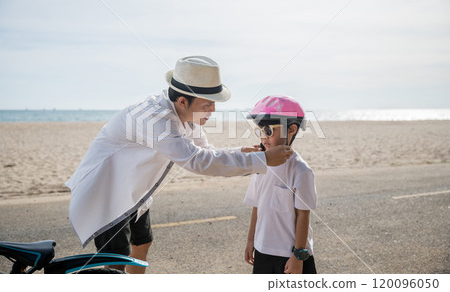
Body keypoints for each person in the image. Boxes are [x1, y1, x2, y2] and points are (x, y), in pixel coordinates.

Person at [65, 56, 293, 273]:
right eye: (207, 104)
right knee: (115, 259)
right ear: (183, 101)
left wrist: (243, 153)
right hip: (107, 190)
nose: (213, 110)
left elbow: (205, 151)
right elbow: (196, 161)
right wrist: (261, 160)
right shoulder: (154, 118)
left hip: (133, 190)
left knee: (143, 242)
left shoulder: (187, 115)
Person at [244, 95, 318, 274]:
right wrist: (251, 240)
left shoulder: (301, 171)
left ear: (291, 129)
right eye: (260, 131)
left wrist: (298, 255)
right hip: (263, 251)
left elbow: (303, 215)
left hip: (291, 255)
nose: (263, 138)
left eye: (268, 131)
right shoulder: (262, 165)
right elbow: (256, 206)